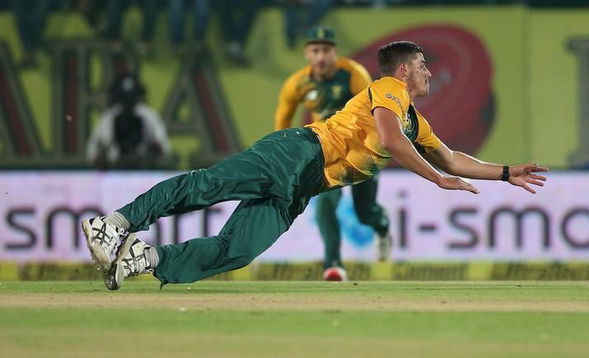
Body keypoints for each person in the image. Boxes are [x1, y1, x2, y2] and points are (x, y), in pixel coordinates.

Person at [82, 41, 548, 290]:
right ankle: (114, 224)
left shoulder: (415, 119)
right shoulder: (389, 89)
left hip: (304, 185)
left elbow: (452, 157)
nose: (428, 72)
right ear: (402, 70)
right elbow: (392, 141)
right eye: (423, 64)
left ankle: (145, 258)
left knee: (239, 249)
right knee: (209, 186)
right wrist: (438, 179)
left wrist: (506, 173)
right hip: (299, 151)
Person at [275, 26, 391, 281]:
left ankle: (382, 226)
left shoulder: (352, 74)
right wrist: (284, 155)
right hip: (329, 150)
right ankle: (333, 265)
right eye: (315, 51)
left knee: (365, 211)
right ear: (307, 53)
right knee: (326, 205)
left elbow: (375, 111)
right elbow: (283, 121)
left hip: (363, 148)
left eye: (326, 50)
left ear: (335, 52)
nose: (321, 57)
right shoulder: (297, 83)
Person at [86, 73, 172, 169]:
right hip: (115, 170)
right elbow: (92, 152)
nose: (128, 102)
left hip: (143, 170)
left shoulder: (148, 116)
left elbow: (165, 150)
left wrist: (151, 144)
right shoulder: (109, 117)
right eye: (124, 98)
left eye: (131, 98)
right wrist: (104, 155)